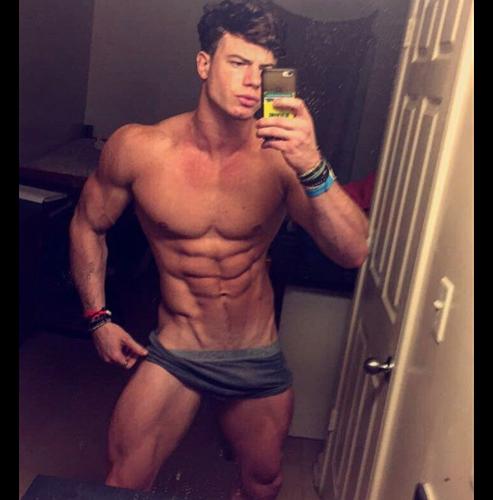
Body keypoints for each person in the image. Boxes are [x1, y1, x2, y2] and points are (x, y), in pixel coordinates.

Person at [69, 1, 369, 498]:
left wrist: (312, 164)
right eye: (238, 62)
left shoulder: (281, 159)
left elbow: (353, 251)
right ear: (204, 64)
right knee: (123, 482)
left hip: (253, 350)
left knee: (263, 482)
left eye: (264, 69)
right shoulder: (140, 149)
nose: (252, 81)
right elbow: (87, 224)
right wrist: (98, 318)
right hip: (178, 348)